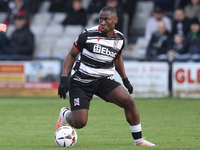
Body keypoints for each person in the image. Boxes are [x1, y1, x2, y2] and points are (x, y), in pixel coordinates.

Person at [57, 6, 155, 146]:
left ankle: (138, 140)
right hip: (81, 82)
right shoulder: (87, 35)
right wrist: (64, 79)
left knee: (128, 101)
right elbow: (71, 55)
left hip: (102, 80)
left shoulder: (120, 38)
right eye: (100, 19)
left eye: (106, 20)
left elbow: (117, 59)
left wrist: (125, 80)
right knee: (80, 123)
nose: (102, 23)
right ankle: (65, 114)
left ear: (115, 20)